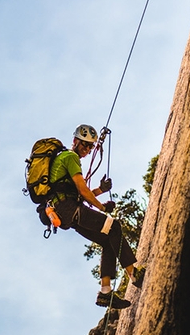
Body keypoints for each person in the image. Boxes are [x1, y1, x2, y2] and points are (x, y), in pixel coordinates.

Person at [49, 124, 145, 309]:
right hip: (70, 209)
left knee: (107, 239)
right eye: (84, 144)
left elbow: (77, 193)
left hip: (67, 211)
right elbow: (83, 191)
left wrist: (101, 190)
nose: (86, 149)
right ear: (75, 141)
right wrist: (102, 207)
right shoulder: (70, 157)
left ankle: (105, 293)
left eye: (90, 146)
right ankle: (134, 274)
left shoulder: (66, 160)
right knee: (114, 226)